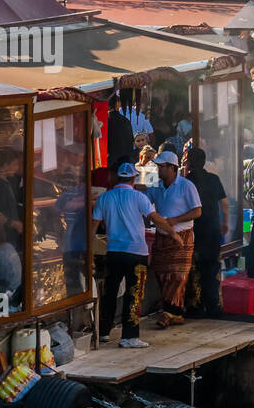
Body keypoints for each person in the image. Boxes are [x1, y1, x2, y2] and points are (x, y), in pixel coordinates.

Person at [93, 161, 178, 348]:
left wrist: (88, 251)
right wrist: (173, 234)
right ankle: (129, 336)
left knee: (109, 293)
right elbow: (156, 219)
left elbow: (93, 227)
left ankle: (104, 332)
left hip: (113, 252)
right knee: (134, 294)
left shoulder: (104, 198)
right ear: (133, 179)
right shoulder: (139, 198)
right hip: (136, 252)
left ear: (116, 178)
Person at [146, 151, 201, 328]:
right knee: (161, 272)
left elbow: (197, 211)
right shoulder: (154, 185)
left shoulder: (186, 185)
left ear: (172, 168)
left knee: (178, 275)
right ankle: (175, 311)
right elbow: (145, 203)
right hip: (162, 235)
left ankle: (169, 312)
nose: (158, 169)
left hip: (182, 235)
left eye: (161, 166)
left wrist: (176, 219)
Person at [184, 147, 229, 318]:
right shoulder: (214, 179)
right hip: (212, 229)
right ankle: (213, 306)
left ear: (189, 162)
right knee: (212, 268)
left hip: (195, 230)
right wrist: (225, 222)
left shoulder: (187, 181)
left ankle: (195, 306)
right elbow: (224, 204)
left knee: (195, 269)